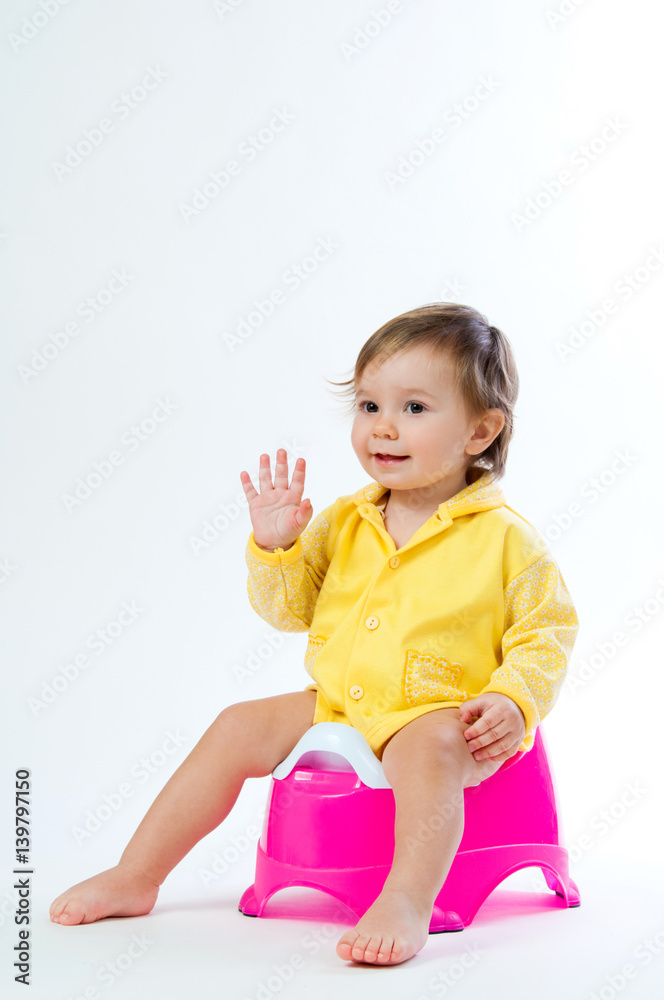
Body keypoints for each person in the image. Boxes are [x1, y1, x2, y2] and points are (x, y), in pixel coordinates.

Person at [49, 302, 579, 967]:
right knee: (236, 726)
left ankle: (407, 899)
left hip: (440, 715)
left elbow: (547, 629)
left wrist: (513, 699)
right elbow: (290, 610)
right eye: (369, 405)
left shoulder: (506, 538)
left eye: (414, 408)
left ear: (480, 430)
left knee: (429, 751)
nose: (383, 426)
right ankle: (137, 873)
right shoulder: (347, 520)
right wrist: (278, 547)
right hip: (338, 704)